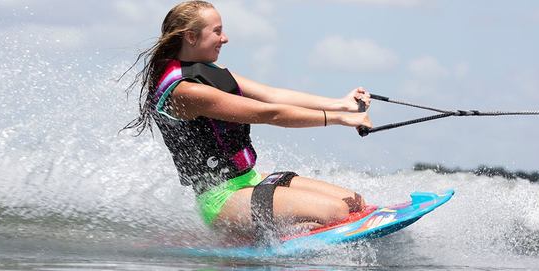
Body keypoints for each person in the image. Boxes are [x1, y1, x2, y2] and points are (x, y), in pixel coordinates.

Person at [123, 1, 372, 241]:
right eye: (217, 31)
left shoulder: (210, 73)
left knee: (355, 205)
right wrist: (340, 119)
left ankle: (280, 229)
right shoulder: (185, 91)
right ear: (191, 36)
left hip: (249, 180)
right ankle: (267, 237)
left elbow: (273, 95)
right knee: (335, 213)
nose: (225, 38)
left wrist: (342, 104)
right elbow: (269, 113)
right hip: (222, 198)